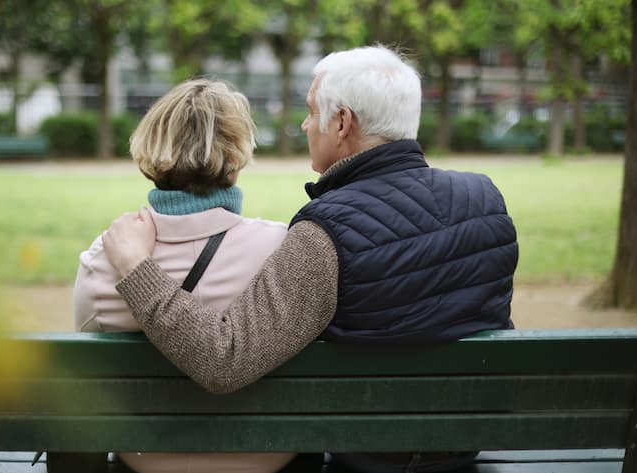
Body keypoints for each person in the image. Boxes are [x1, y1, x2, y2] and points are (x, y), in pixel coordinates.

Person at [102, 46, 519, 472]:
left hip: (369, 457)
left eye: (309, 111)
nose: (304, 125)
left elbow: (223, 360)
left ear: (341, 122)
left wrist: (137, 267)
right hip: (465, 444)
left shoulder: (325, 233)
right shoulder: (485, 199)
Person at [73, 79, 295, 473]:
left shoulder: (101, 261)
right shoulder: (281, 251)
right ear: (237, 153)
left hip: (144, 459)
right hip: (265, 457)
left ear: (152, 148)